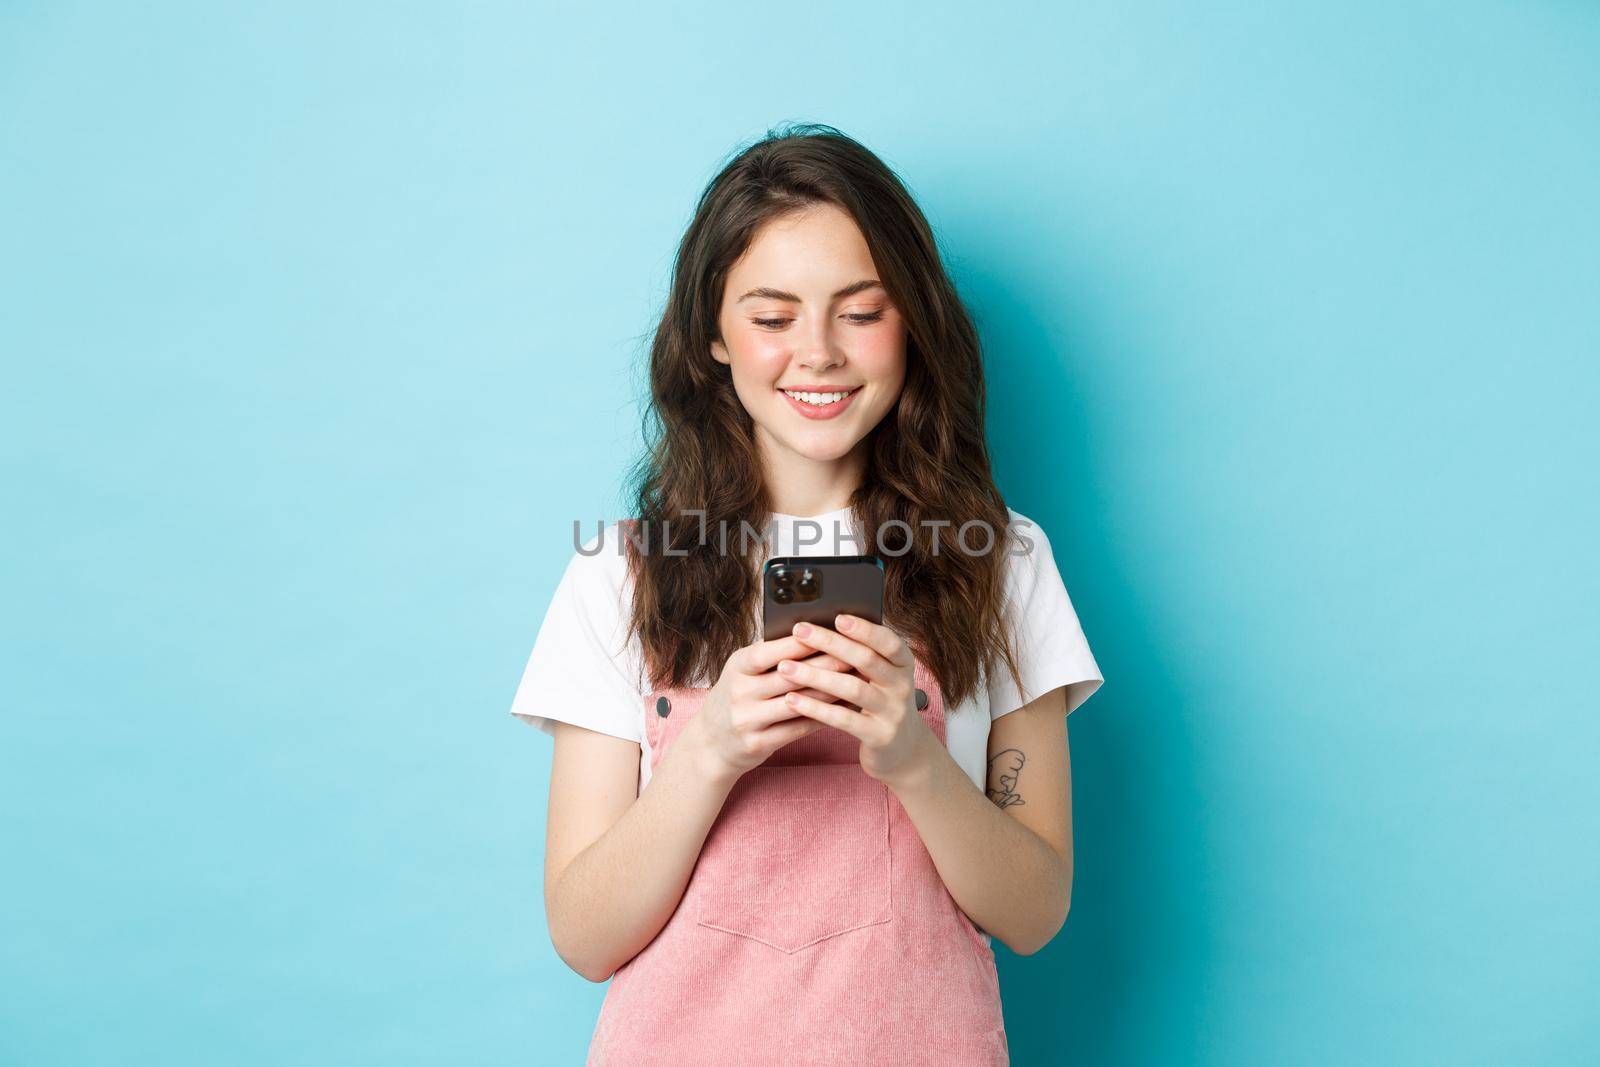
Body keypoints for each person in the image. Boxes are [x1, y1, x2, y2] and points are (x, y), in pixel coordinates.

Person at [508, 123, 1105, 1065]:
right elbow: (585, 936)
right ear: (712, 333)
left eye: (861, 311)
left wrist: (913, 756)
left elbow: (1034, 911)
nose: (817, 352)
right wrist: (709, 750)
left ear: (913, 321)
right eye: (773, 316)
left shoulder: (1005, 560)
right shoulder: (618, 573)